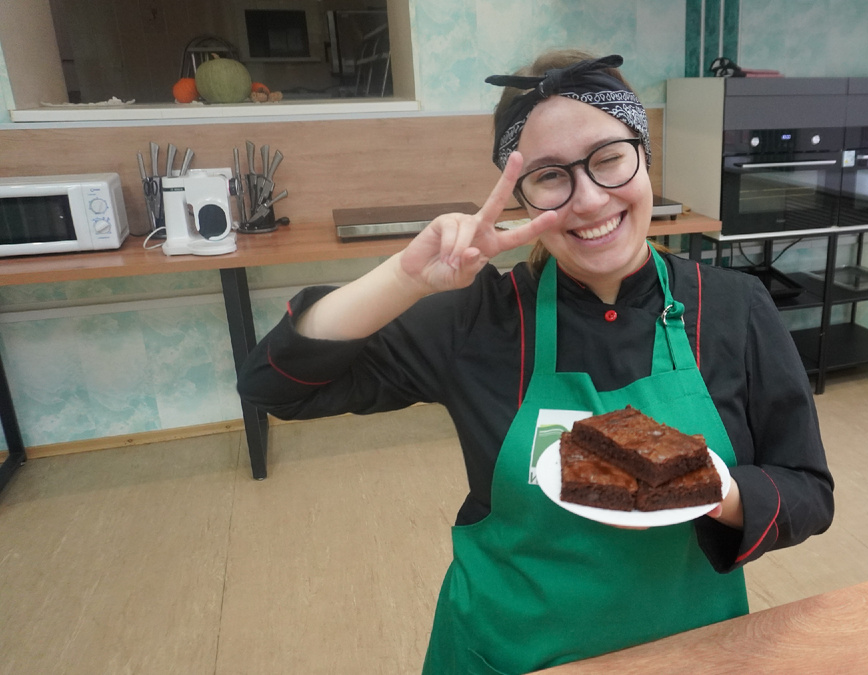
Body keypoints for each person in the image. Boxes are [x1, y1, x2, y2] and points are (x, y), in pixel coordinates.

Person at [237, 51, 834, 674]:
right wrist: (404, 280)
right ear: (520, 197)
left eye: (609, 158)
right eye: (550, 176)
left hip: (687, 654)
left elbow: (808, 489)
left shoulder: (735, 307)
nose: (589, 200)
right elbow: (272, 386)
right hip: (508, 654)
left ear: (644, 156)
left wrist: (714, 492)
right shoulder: (480, 319)